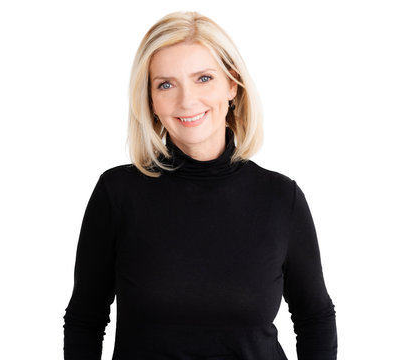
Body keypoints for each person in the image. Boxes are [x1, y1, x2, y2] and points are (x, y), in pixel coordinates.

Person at [63, 10, 337, 360]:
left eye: (203, 78)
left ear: (232, 86)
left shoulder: (281, 198)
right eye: (166, 84)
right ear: (150, 101)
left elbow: (315, 317)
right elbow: (85, 318)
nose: (187, 100)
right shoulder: (117, 194)